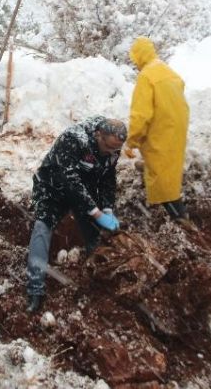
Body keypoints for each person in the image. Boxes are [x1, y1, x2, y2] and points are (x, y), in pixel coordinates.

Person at [26, 116, 126, 313]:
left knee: (95, 235)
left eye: (115, 151)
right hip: (53, 185)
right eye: (108, 148)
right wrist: (96, 212)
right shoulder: (73, 139)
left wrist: (107, 209)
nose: (110, 154)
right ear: (98, 135)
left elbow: (108, 179)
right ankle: (35, 290)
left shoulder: (113, 148)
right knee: (42, 227)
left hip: (85, 188)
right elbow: (69, 180)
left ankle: (97, 285)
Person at [125, 36, 191, 223]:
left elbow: (140, 114)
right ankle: (178, 210)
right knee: (168, 168)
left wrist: (132, 140)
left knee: (160, 176)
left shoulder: (146, 76)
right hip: (176, 127)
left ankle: (180, 217)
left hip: (160, 129)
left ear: (138, 56)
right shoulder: (168, 71)